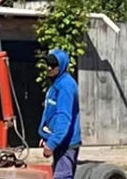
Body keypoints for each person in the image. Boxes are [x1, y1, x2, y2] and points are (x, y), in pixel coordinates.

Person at [38, 50, 81, 179]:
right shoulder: (57, 83)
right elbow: (52, 114)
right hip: (60, 141)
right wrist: (47, 136)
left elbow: (63, 118)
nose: (49, 68)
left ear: (61, 66)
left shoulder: (66, 86)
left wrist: (52, 143)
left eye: (53, 65)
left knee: (62, 176)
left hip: (66, 143)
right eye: (48, 64)